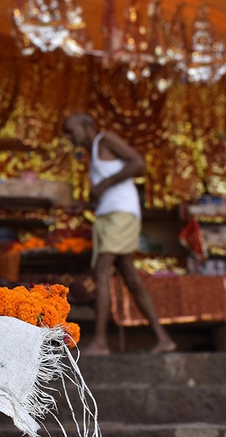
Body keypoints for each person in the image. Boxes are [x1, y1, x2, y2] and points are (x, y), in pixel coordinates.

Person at [63, 113, 175, 355]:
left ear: (85, 125)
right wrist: (84, 206)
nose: (69, 137)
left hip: (121, 215)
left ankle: (101, 342)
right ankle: (163, 339)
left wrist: (104, 185)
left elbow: (138, 163)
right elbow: (108, 191)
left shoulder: (106, 140)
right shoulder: (93, 154)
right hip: (108, 216)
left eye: (71, 131)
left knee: (101, 271)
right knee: (131, 280)